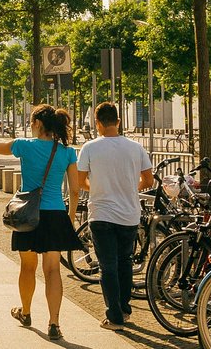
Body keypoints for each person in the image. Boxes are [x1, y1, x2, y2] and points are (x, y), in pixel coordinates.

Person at [0, 100, 81, 341]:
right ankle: (54, 323)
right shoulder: (67, 152)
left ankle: (25, 312)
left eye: (31, 122)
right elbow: (76, 190)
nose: (30, 126)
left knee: (28, 267)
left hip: (29, 214)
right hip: (56, 214)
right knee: (53, 270)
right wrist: (68, 218)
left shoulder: (24, 146)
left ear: (38, 124)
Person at [77, 102, 153, 331]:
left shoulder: (89, 148)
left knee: (107, 266)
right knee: (125, 263)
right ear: (118, 122)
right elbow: (148, 181)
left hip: (101, 213)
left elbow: (81, 182)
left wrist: (100, 188)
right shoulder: (135, 148)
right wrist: (130, 188)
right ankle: (125, 309)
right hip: (129, 214)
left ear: (98, 124)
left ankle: (115, 317)